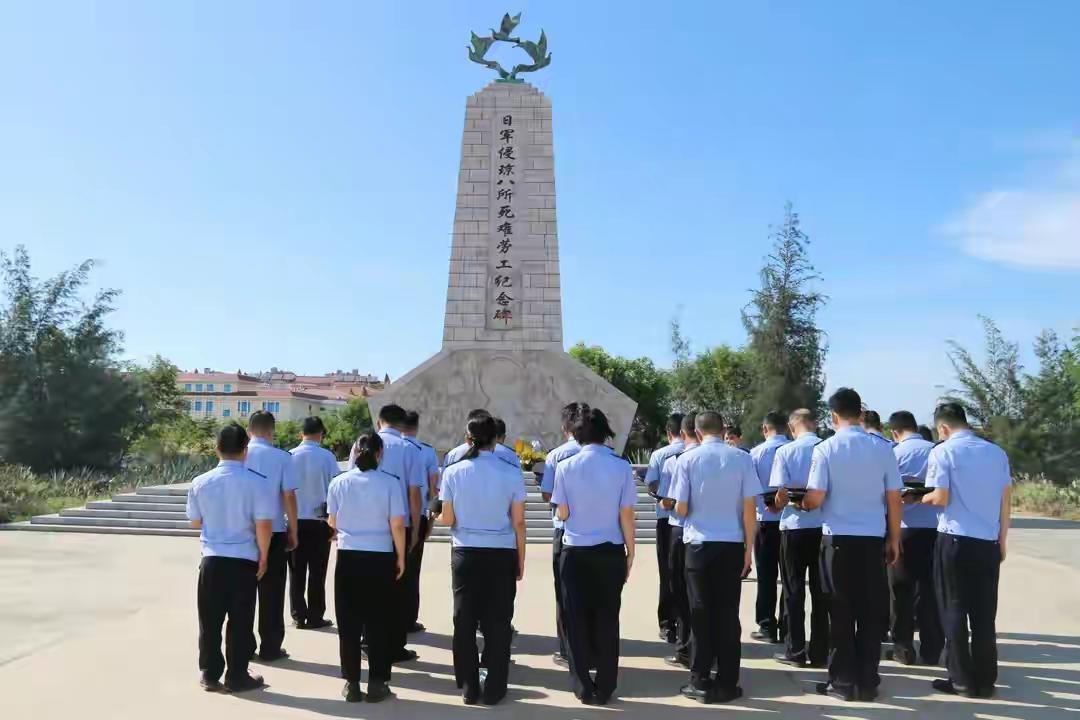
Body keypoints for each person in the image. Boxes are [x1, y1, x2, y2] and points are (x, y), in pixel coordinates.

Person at [802, 388, 903, 702]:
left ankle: (843, 682)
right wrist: (894, 538)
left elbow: (816, 497)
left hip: (838, 543)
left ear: (833, 416)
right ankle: (868, 680)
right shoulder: (883, 448)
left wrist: (803, 504)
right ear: (860, 413)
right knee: (871, 613)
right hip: (873, 541)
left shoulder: (826, 449)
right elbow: (893, 498)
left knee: (841, 612)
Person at [920, 403, 1011, 698]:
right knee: (985, 614)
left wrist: (919, 498)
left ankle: (960, 679)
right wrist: (1002, 539)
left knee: (954, 609)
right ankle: (985, 680)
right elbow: (1005, 500)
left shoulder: (943, 451)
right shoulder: (996, 453)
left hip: (955, 540)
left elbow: (941, 496)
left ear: (943, 428)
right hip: (988, 542)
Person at [438, 413, 527, 705]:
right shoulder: (511, 472)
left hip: (466, 551)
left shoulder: (454, 471)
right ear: (496, 439)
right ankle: (495, 688)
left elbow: (448, 518)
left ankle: (468, 685)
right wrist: (521, 559)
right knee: (498, 622)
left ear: (468, 439)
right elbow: (519, 523)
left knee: (464, 620)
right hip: (501, 551)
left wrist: (439, 516)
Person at [670, 411, 757, 704]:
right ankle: (729, 681)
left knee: (700, 612)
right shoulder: (742, 458)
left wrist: (678, 507)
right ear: (723, 430)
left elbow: (681, 508)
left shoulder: (687, 460)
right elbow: (749, 508)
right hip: (731, 543)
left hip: (698, 544)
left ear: (696, 431)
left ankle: (700, 679)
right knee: (728, 613)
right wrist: (749, 548)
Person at [553, 407, 638, 706]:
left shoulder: (566, 466)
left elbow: (562, 512)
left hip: (575, 551)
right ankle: (606, 684)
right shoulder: (621, 466)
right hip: (609, 550)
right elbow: (627, 513)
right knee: (607, 618)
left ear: (576, 434)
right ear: (605, 433)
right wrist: (631, 550)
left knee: (575, 619)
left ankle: (583, 686)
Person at [186, 423, 274, 693]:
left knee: (210, 620)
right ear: (245, 451)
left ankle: (210, 674)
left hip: (212, 559)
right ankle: (237, 675)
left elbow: (195, 522)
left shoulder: (200, 482)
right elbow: (263, 525)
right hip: (244, 559)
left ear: (216, 449)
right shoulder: (258, 483)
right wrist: (264, 556)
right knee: (240, 620)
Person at [328, 431, 406, 703]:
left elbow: (332, 522)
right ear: (380, 454)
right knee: (379, 622)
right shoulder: (390, 484)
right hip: (380, 557)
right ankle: (377, 682)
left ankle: (351, 682)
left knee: (348, 623)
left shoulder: (338, 483)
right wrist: (401, 556)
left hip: (349, 557)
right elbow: (397, 524)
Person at [769, 409, 828, 668]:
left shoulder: (785, 451)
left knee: (793, 591)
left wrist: (779, 502)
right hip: (824, 528)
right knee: (821, 591)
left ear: (792, 429)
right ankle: (820, 650)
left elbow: (780, 494)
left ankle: (795, 650)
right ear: (814, 424)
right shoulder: (828, 448)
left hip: (794, 527)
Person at [366, 403, 425, 664]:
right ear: (402, 424)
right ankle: (395, 646)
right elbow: (415, 493)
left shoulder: (364, 443)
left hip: (370, 524)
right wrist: (414, 529)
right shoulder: (410, 449)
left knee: (372, 587)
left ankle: (368, 641)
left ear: (380, 421)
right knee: (401, 586)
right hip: (400, 524)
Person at [886, 410, 943, 666]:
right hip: (936, 529)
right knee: (931, 590)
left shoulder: (893, 454)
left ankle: (903, 647)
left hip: (905, 529)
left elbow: (887, 496)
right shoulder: (937, 451)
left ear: (895, 432)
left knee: (901, 591)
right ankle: (932, 649)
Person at [246, 410, 299, 662]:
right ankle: (270, 647)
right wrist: (294, 529)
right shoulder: (282, 458)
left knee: (243, 592)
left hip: (243, 532)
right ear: (272, 430)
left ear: (249, 430)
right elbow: (288, 495)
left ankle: (244, 645)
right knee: (272, 593)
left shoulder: (239, 454)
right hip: (275, 530)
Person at [540, 402, 585, 668]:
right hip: (603, 538)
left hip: (565, 531)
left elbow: (548, 494)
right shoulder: (608, 456)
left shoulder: (557, 456)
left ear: (564, 426)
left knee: (566, 595)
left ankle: (568, 649)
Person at [287, 416, 339, 630]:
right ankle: (316, 616)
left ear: (301, 434)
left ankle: (298, 615)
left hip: (295, 520)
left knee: (296, 571)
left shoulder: (289, 456)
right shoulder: (327, 457)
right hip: (320, 521)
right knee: (318, 571)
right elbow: (335, 489)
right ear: (321, 434)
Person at [659, 413, 700, 669]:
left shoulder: (675, 460)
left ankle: (685, 648)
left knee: (682, 593)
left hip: (680, 530)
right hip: (720, 538)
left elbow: (670, 501)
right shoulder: (736, 457)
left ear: (684, 434)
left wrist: (665, 501)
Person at [749, 411, 790, 643]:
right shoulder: (795, 450)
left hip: (765, 521)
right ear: (786, 428)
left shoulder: (755, 453)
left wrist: (766, 505)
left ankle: (766, 625)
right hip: (791, 521)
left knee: (766, 576)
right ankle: (788, 625)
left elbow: (750, 489)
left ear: (765, 429)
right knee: (789, 578)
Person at [644, 413, 685, 644]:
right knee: (686, 574)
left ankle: (667, 624)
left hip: (665, 518)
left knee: (667, 573)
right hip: (688, 520)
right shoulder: (694, 453)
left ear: (669, 433)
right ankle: (684, 621)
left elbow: (651, 484)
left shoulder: (660, 455)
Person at [402, 410, 440, 634]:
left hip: (388, 517)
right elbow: (433, 489)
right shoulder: (425, 451)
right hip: (417, 517)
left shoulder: (388, 448)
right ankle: (408, 619)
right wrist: (430, 521)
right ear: (417, 426)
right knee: (411, 572)